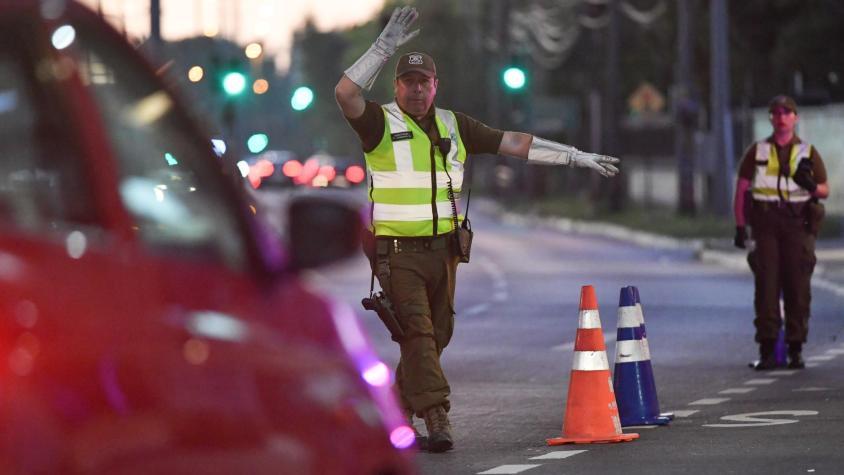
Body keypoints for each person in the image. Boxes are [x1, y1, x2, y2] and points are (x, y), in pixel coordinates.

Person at [334, 6, 619, 452]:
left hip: (444, 251)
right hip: (397, 253)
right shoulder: (379, 124)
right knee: (418, 334)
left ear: (434, 86)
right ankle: (437, 415)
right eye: (407, 82)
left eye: (422, 82)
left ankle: (390, 407)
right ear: (396, 87)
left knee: (437, 335)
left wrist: (573, 155)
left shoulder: (455, 125)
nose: (415, 90)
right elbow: (346, 93)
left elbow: (514, 143)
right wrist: (383, 47)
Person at [733, 95, 829, 371]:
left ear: (795, 118)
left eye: (787, 112)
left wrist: (809, 184)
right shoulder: (758, 151)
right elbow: (741, 190)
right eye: (776, 113)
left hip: (798, 225)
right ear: (771, 118)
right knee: (766, 287)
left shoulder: (808, 152)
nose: (781, 117)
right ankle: (767, 348)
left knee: (798, 288)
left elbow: (824, 190)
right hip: (765, 224)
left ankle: (795, 348)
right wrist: (740, 226)